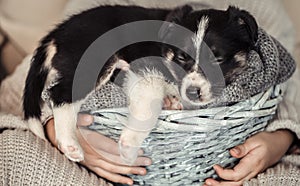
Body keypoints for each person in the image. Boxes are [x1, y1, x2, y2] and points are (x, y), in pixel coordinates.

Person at [0, 0, 299, 185]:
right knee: (10, 152)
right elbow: (53, 57)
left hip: (228, 157)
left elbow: (284, 72)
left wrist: (282, 138)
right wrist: (54, 126)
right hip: (93, 156)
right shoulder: (110, 15)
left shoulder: (255, 13)